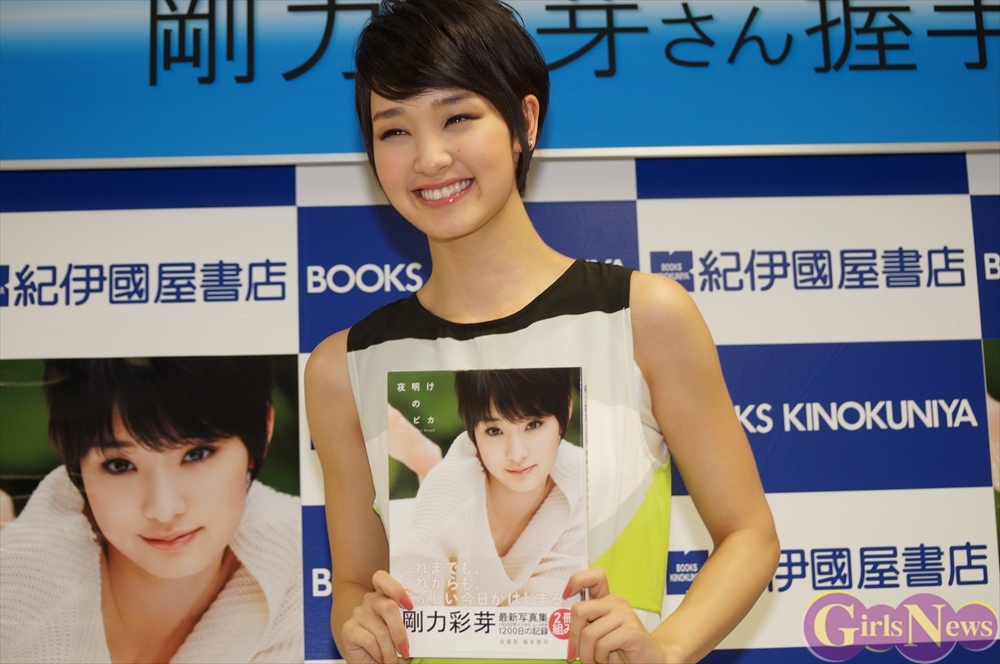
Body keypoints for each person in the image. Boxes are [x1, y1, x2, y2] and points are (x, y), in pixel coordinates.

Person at [303, 0, 779, 662]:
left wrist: (666, 650)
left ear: (524, 122)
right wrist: (358, 625)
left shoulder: (642, 317)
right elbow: (354, 583)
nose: (430, 158)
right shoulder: (343, 367)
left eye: (458, 117)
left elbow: (750, 535)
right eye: (395, 131)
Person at [0, 357, 302, 664]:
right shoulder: (16, 591)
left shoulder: (309, 578)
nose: (163, 510)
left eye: (196, 454)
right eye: (120, 465)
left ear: (264, 429)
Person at [390, 368, 584, 607]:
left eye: (533, 424)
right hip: (418, 527)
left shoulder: (580, 483)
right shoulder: (450, 489)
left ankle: (426, 461)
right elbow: (410, 606)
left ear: (567, 410)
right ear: (471, 429)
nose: (517, 454)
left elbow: (551, 607)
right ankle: (425, 460)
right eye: (494, 431)